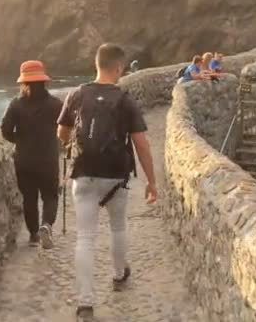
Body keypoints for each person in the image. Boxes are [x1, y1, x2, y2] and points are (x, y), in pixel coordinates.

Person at [57, 43, 158, 321]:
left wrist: (70, 146)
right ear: (119, 68)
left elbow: (62, 132)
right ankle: (118, 274)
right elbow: (142, 145)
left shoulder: (77, 94)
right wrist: (152, 182)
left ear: (96, 65)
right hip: (116, 176)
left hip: (83, 173)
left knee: (85, 238)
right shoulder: (125, 99)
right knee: (117, 228)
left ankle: (85, 303)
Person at [0, 60, 63, 249]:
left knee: (29, 197)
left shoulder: (16, 105)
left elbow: (5, 130)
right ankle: (46, 225)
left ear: (24, 82)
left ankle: (34, 235)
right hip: (48, 159)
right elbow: (66, 128)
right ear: (44, 81)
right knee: (51, 196)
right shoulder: (55, 104)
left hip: (24, 160)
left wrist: (19, 141)